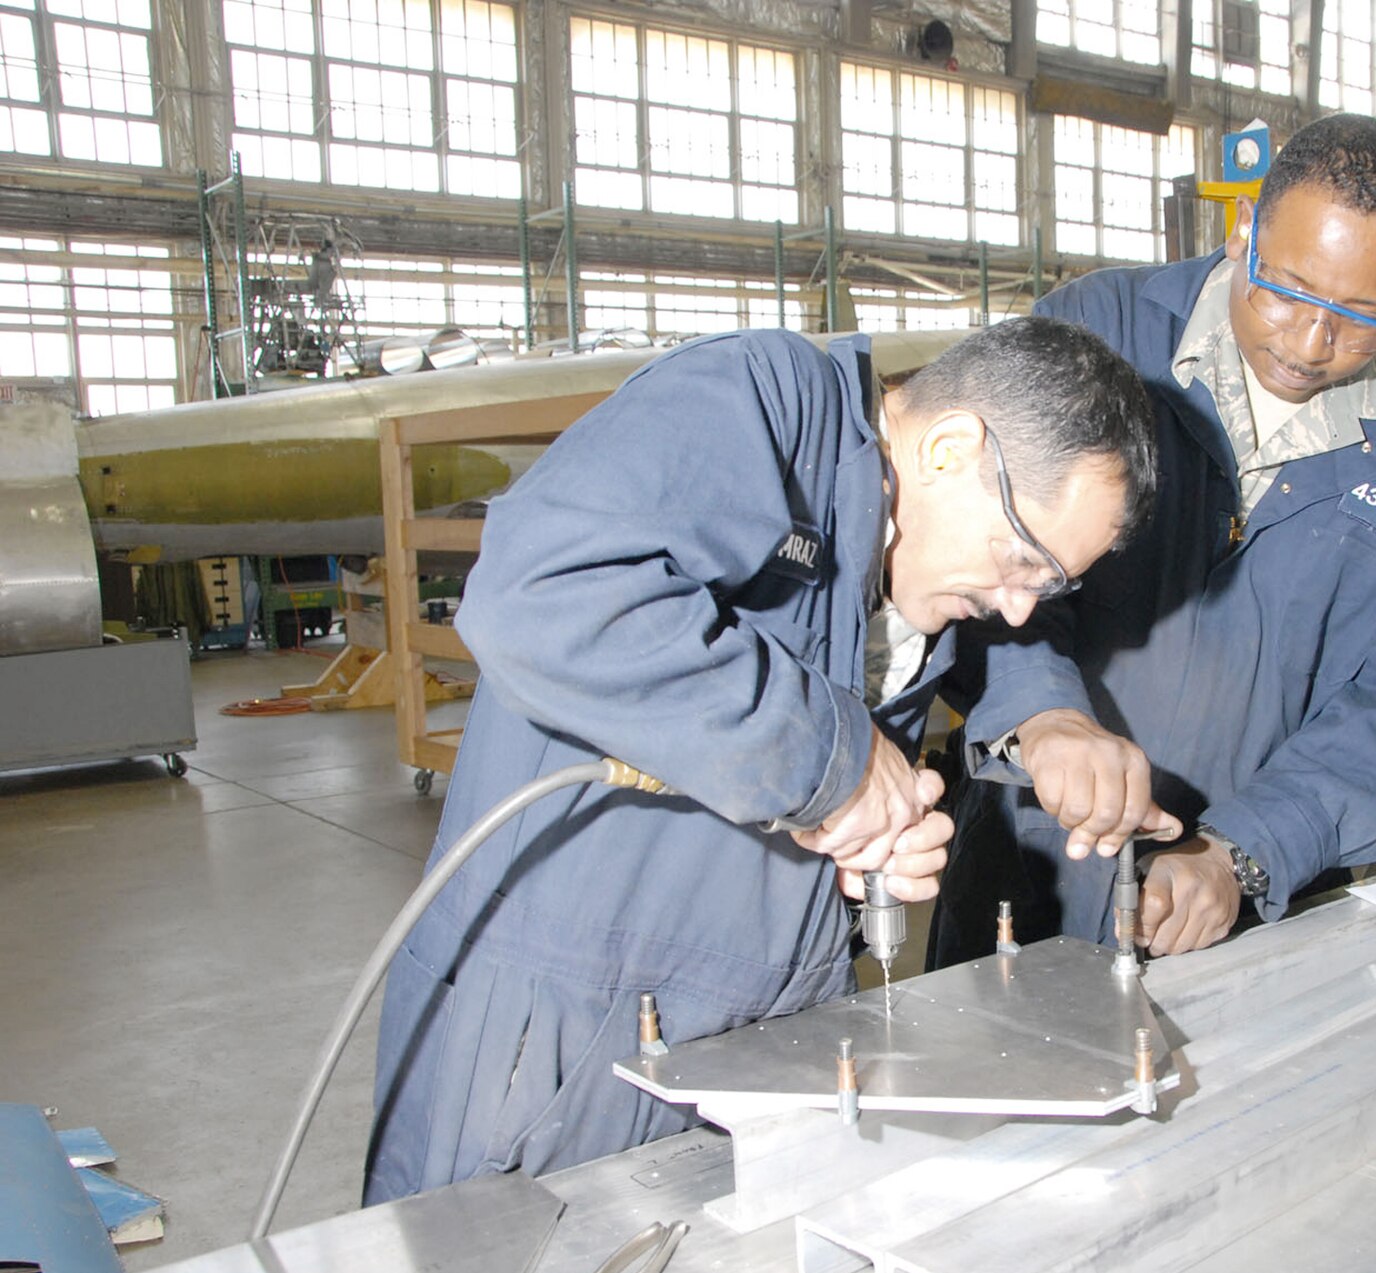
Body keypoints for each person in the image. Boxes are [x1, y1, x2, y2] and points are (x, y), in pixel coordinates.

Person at [364, 316, 1163, 1203]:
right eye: (1022, 560)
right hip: (560, 1030)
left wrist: (858, 834)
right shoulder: (765, 404)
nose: (1017, 611)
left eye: (1049, 587)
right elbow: (538, 592)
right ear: (948, 448)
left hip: (763, 1021)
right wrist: (835, 766)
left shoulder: (909, 572)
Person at [933, 113, 1376, 965]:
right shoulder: (1098, 333)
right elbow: (972, 546)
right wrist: (1041, 710)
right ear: (1245, 230)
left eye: (1365, 317)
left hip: (1243, 913)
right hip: (1023, 860)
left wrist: (1244, 853)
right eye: (1290, 289)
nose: (1312, 345)